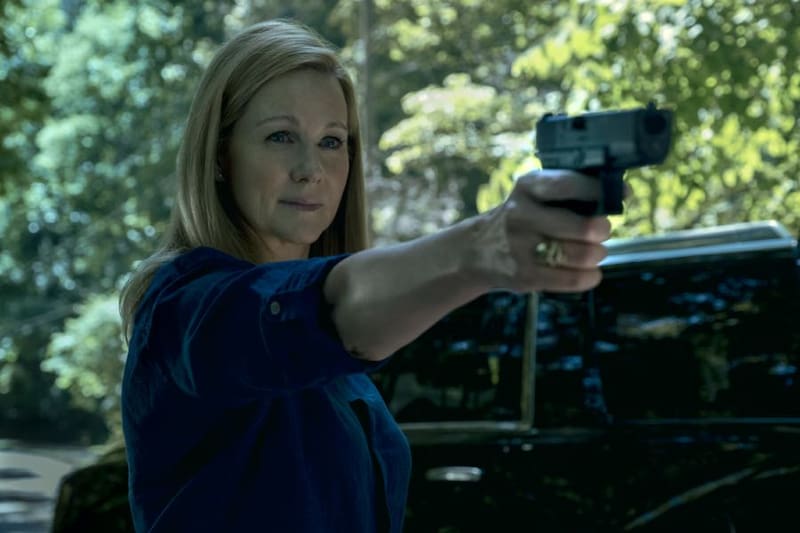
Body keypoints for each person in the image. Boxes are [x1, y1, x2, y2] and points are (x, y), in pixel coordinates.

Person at [119, 18, 612, 533]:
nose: (311, 168)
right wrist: (483, 247)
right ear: (221, 157)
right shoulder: (182, 310)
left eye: (332, 141)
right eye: (281, 136)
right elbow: (306, 310)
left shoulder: (341, 363)